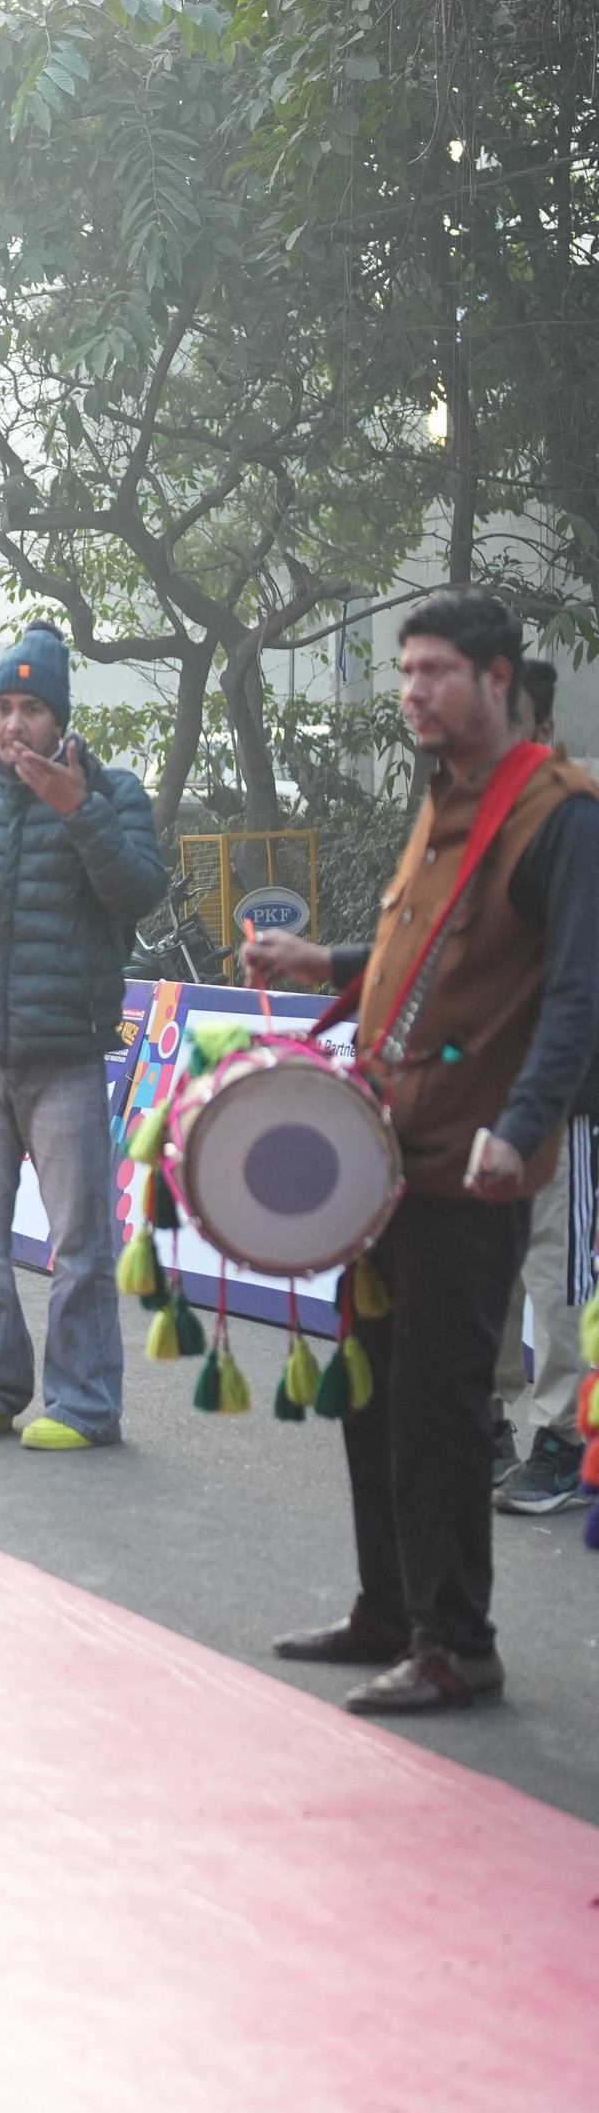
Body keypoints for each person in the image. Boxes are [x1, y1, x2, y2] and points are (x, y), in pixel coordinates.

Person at [246, 588, 599, 1714]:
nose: (412, 690)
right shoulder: (450, 798)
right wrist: (325, 963)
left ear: (497, 680)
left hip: (471, 1166)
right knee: (374, 1395)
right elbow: (428, 951)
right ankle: (389, 1610)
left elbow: (578, 996)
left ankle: (457, 1643)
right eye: (405, 671)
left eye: (435, 670)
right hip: (386, 1155)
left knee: (439, 1409)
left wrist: (523, 1126)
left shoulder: (560, 815)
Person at [0, 621, 168, 1449]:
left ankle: (84, 1403)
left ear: (60, 719)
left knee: (81, 1245)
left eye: (30, 709)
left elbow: (140, 892)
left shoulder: (112, 791)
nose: (13, 724)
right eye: (2, 708)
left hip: (65, 1053)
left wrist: (78, 811)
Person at [488, 657, 591, 1514]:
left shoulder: (577, 825)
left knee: (559, 1271)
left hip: (565, 1098)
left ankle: (566, 1440)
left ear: (543, 733)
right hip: (482, 1091)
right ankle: (486, 1422)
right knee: (484, 1265)